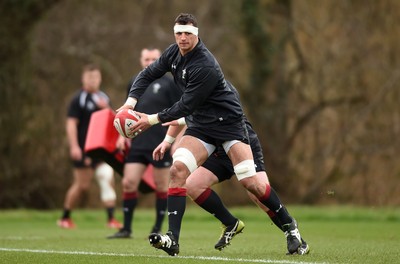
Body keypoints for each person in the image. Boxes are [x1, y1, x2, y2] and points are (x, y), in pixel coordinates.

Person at [116, 13, 304, 256]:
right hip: (202, 127)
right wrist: (130, 104)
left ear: (197, 35)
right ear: (174, 34)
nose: (183, 38)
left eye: (188, 34)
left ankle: (290, 228)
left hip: (229, 126)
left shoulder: (205, 65)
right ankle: (173, 239)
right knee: (178, 172)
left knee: (252, 184)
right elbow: (148, 74)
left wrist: (149, 120)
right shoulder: (172, 53)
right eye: (179, 33)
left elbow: (185, 105)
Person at [154, 112, 310, 255]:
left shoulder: (218, 85)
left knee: (257, 194)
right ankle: (230, 223)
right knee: (193, 185)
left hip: (240, 140)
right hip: (219, 148)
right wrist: (167, 141)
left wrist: (155, 119)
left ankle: (296, 237)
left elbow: (193, 115)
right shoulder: (188, 84)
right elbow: (181, 112)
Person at [107, 48, 181, 239]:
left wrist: (175, 141)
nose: (150, 62)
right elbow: (126, 113)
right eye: (146, 59)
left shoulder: (170, 83)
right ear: (141, 60)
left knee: (161, 185)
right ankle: (126, 229)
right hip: (138, 142)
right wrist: (121, 136)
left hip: (161, 142)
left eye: (154, 59)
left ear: (160, 60)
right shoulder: (135, 82)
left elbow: (182, 113)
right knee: (129, 182)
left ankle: (156, 227)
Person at [58, 64, 122, 229]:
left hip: (100, 150)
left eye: (96, 77)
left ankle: (111, 219)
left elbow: (112, 121)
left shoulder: (103, 98)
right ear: (83, 79)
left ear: (100, 79)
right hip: (83, 150)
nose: (93, 81)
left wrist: (106, 109)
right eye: (89, 77)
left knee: (106, 178)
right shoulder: (78, 99)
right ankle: (65, 217)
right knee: (82, 185)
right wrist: (74, 147)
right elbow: (71, 124)